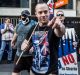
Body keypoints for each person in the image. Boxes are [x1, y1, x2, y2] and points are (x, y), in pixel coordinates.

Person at [21, 3, 65, 75]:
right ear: (36, 14)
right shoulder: (33, 28)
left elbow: (61, 32)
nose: (43, 15)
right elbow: (25, 42)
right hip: (34, 70)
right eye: (40, 12)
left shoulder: (53, 26)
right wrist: (24, 46)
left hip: (50, 71)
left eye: (45, 12)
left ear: (49, 12)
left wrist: (59, 26)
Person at [11, 10, 36, 75]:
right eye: (22, 16)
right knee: (15, 71)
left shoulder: (34, 24)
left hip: (30, 55)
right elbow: (16, 33)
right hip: (19, 53)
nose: (23, 17)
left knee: (32, 72)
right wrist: (12, 41)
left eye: (25, 16)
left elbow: (38, 37)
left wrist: (33, 46)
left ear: (28, 16)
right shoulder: (19, 24)